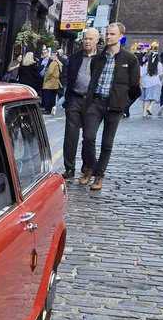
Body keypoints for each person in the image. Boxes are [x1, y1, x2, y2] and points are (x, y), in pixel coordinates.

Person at [75, 21, 141, 193]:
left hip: (114, 106)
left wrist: (123, 104)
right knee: (88, 137)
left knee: (107, 144)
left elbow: (135, 88)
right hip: (96, 102)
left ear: (120, 36)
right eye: (107, 33)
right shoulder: (98, 58)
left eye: (112, 34)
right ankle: (90, 167)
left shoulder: (130, 59)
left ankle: (99, 175)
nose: (108, 36)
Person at [60, 27, 101, 179]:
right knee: (71, 135)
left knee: (89, 136)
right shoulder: (75, 57)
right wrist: (67, 91)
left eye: (90, 39)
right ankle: (69, 167)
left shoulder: (101, 58)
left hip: (93, 101)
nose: (87, 42)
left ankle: (87, 165)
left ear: (97, 40)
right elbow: (66, 74)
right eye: (85, 38)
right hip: (75, 98)